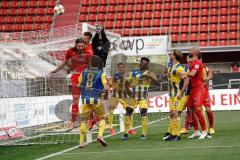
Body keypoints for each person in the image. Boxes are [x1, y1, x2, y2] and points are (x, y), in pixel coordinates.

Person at [50, 37, 93, 128]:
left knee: (87, 100)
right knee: (75, 100)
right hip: (75, 77)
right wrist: (56, 70)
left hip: (85, 77)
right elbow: (65, 62)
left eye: (82, 46)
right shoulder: (70, 51)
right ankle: (73, 122)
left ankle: (91, 121)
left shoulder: (88, 52)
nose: (80, 47)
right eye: (78, 46)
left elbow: (91, 66)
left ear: (84, 45)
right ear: (76, 45)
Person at [122, 57, 160, 140]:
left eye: (144, 63)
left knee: (143, 113)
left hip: (143, 97)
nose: (141, 64)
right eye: (141, 62)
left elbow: (158, 84)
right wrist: (128, 92)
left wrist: (150, 77)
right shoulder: (134, 72)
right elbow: (126, 83)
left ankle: (143, 134)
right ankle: (125, 133)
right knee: (128, 112)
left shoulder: (150, 73)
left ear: (147, 65)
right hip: (133, 97)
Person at [78, 55, 109, 148]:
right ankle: (99, 136)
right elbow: (106, 87)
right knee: (102, 118)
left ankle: (81, 143)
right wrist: (105, 93)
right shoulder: (101, 73)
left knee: (84, 121)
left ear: (90, 62)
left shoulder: (83, 72)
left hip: (85, 99)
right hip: (96, 99)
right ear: (99, 63)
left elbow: (79, 85)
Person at [162, 50, 189, 141]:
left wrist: (181, 93)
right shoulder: (171, 66)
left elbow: (186, 81)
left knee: (176, 114)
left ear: (174, 56)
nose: (170, 55)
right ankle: (172, 134)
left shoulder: (180, 68)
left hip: (178, 94)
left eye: (171, 54)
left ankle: (177, 135)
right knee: (171, 114)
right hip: (172, 94)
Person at [108, 63, 136, 136]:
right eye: (120, 67)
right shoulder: (114, 76)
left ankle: (130, 127)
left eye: (122, 67)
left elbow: (130, 85)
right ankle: (111, 128)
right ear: (118, 68)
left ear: (124, 68)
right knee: (110, 111)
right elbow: (110, 85)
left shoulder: (127, 76)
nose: (121, 68)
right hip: (115, 95)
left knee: (129, 110)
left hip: (124, 95)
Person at [187, 48, 208, 140]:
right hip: (193, 89)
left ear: (195, 53)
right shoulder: (191, 63)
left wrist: (185, 74)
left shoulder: (198, 63)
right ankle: (196, 131)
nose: (189, 51)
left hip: (199, 89)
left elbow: (193, 73)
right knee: (190, 110)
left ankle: (204, 131)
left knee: (197, 109)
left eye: (191, 50)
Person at [199, 54, 215, 134]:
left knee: (208, 110)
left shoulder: (205, 67)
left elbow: (211, 75)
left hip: (204, 92)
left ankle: (211, 127)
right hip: (197, 92)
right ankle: (200, 129)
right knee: (194, 111)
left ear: (201, 59)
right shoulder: (192, 68)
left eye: (199, 59)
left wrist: (206, 79)